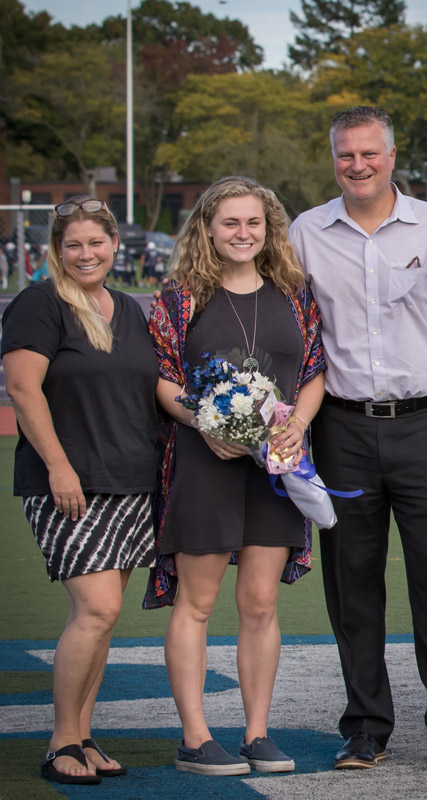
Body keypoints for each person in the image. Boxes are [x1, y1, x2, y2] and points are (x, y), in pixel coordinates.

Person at [289, 106, 427, 771]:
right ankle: (364, 728)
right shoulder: (305, 231)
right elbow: (284, 325)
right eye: (344, 156)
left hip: (423, 426)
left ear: (391, 155)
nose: (357, 165)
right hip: (340, 431)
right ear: (333, 160)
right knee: (350, 585)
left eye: (369, 154)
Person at [143, 176, 326, 776]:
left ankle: (256, 733)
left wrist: (297, 422)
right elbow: (164, 380)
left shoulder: (296, 294)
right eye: (230, 223)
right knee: (197, 603)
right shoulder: (179, 298)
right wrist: (205, 423)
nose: (243, 234)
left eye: (254, 223)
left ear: (269, 228)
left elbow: (313, 370)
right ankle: (195, 739)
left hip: (274, 469)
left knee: (260, 601)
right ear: (208, 229)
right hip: (206, 462)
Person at [1, 196, 160, 785]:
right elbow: (22, 388)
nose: (85, 254)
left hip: (130, 480)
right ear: (56, 250)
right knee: (98, 608)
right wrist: (59, 467)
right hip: (69, 483)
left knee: (100, 617)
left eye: (96, 243)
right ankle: (60, 742)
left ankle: (84, 734)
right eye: (73, 245)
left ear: (115, 245)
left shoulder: (127, 308)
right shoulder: (39, 303)